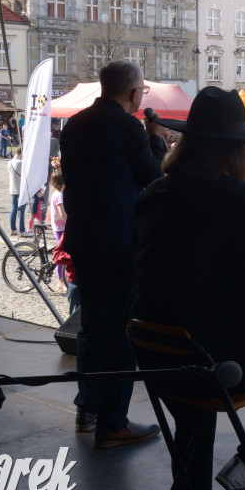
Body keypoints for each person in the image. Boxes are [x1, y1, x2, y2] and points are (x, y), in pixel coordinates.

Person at [60, 61, 162, 447]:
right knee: (120, 332)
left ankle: (87, 409)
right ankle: (114, 423)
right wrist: (154, 138)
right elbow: (152, 178)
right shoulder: (127, 126)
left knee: (92, 327)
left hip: (84, 239)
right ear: (134, 94)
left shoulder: (75, 124)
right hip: (118, 241)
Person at [8, 147, 26, 236]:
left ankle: (13, 228)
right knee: (21, 210)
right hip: (20, 188)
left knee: (14, 209)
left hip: (13, 188)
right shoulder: (21, 163)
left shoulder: (9, 162)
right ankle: (22, 230)